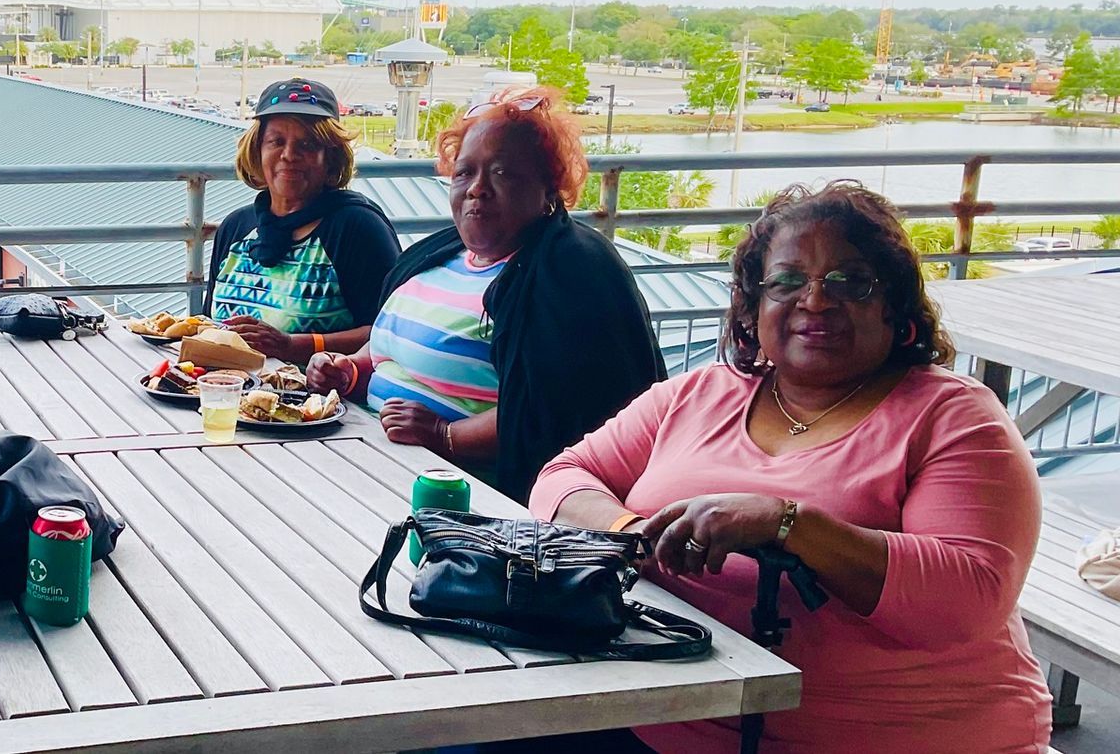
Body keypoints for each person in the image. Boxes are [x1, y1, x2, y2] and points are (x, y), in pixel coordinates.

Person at [531, 181, 1051, 752]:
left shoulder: (953, 416)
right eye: (787, 280)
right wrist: (629, 532)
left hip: (899, 734)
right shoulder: (698, 394)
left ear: (895, 307)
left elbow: (967, 599)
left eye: (849, 282)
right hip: (665, 715)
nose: (817, 300)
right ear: (752, 309)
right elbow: (563, 478)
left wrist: (788, 524)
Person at [306, 86, 663, 503]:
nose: (477, 188)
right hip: (365, 453)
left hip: (463, 492)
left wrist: (446, 435)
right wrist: (348, 370)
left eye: (502, 172)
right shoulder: (440, 253)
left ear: (549, 188)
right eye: (464, 172)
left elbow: (565, 411)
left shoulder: (572, 271)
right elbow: (390, 350)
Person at [201, 78, 399, 364]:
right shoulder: (237, 228)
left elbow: (390, 333)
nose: (289, 155)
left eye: (307, 144)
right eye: (276, 142)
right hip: (228, 392)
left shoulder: (357, 228)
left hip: (322, 403)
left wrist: (292, 346)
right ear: (257, 150)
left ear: (330, 157)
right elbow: (209, 324)